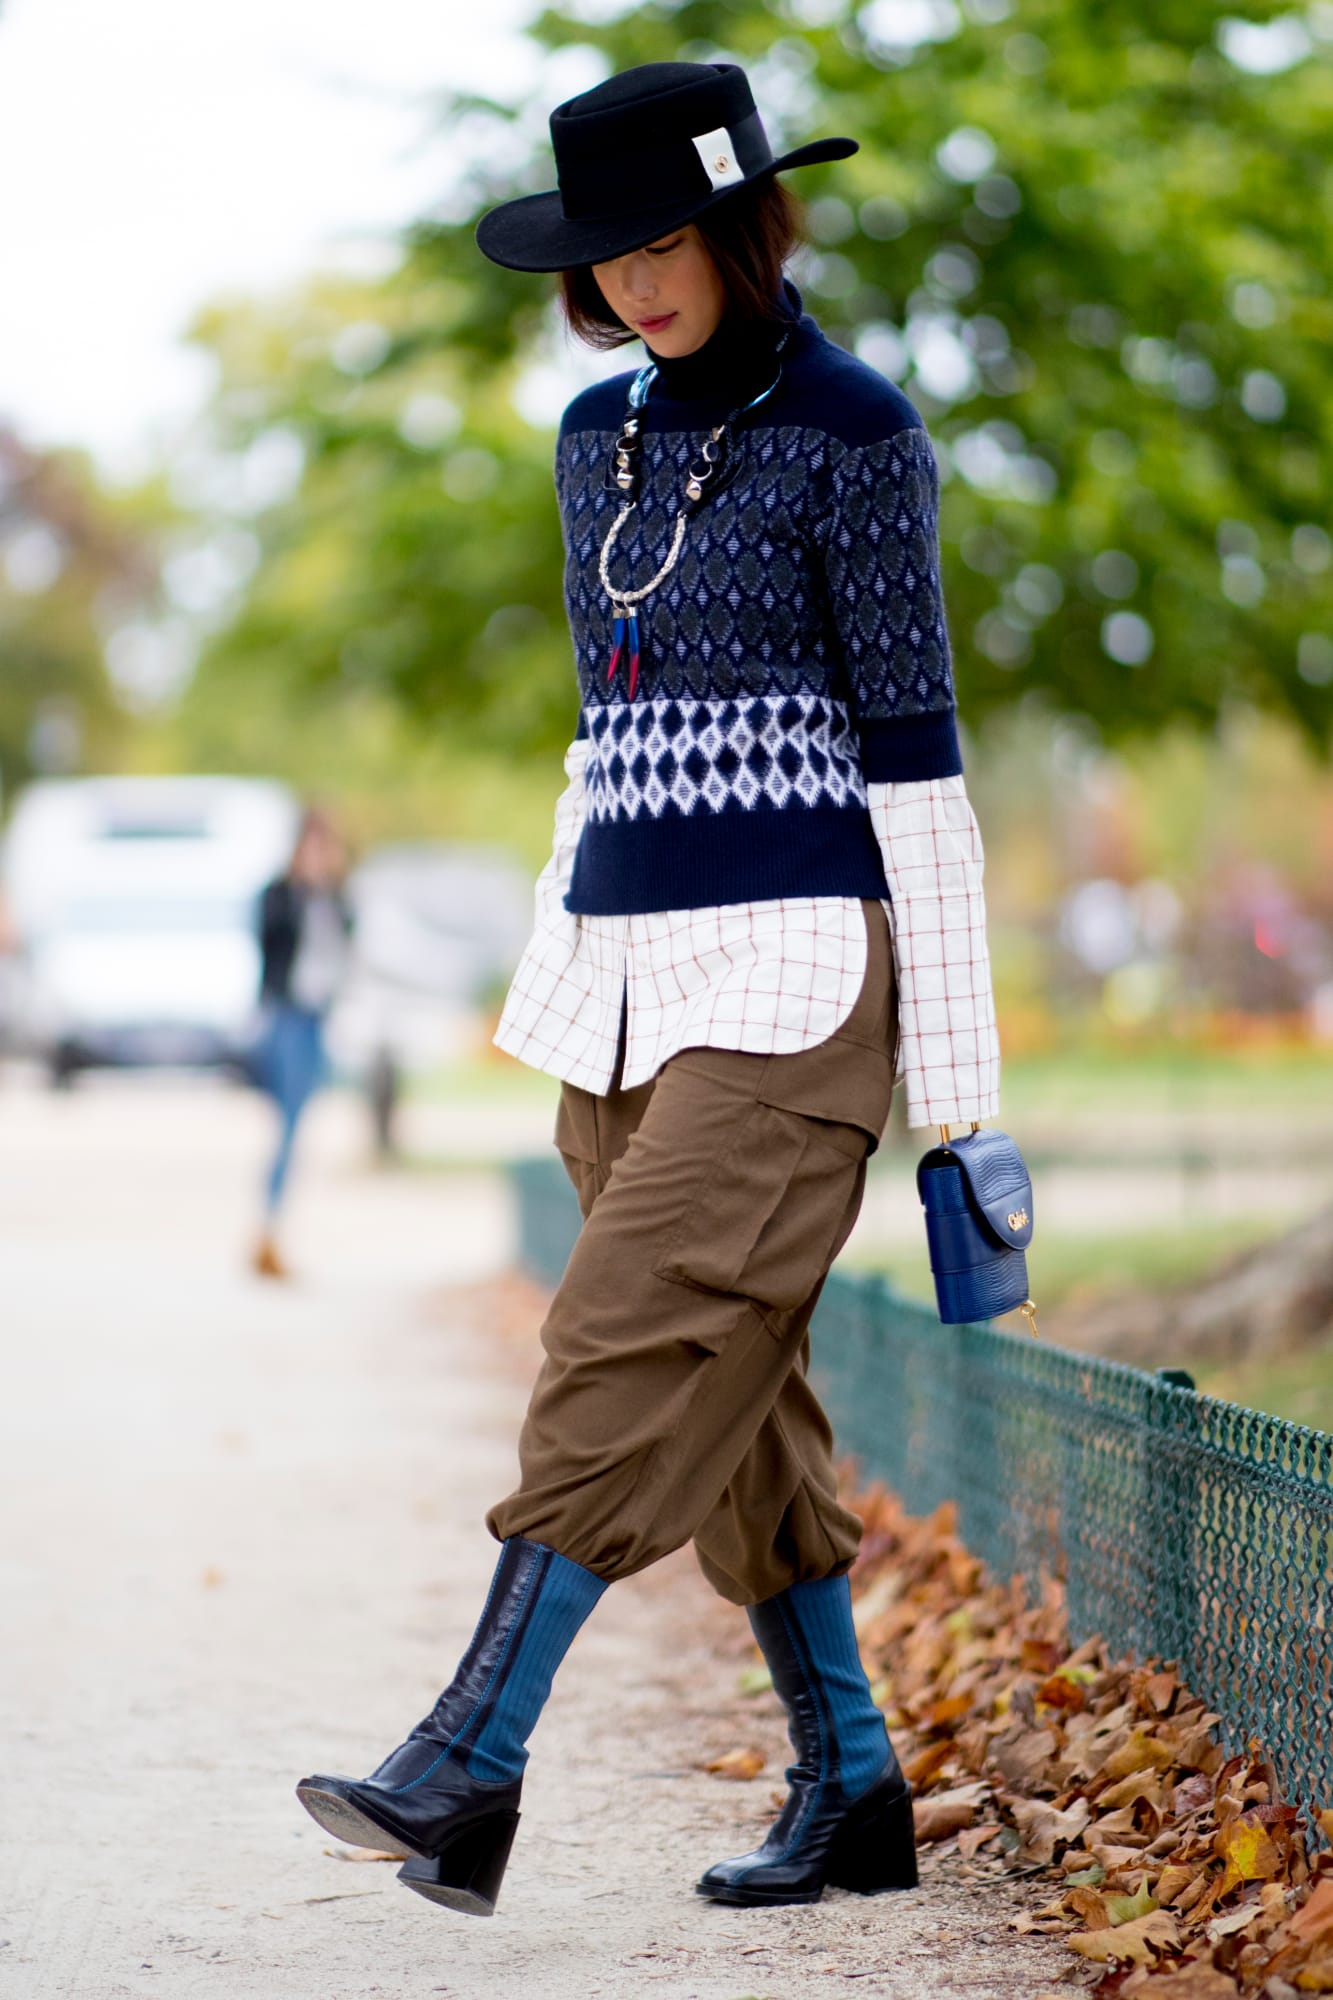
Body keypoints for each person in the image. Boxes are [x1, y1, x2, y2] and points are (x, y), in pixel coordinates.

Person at [297, 61, 1000, 1917]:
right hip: (618, 989)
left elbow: (916, 773)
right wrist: (551, 968)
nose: (635, 286)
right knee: (737, 1394)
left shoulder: (857, 433)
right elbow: (604, 736)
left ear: (748, 224)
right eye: (604, 258)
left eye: (667, 239)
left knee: (611, 1357)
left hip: (789, 994)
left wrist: (961, 1088)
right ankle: (852, 1782)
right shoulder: (589, 440)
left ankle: (469, 1762)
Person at [251, 807, 352, 1278]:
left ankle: (272, 1227)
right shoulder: (280, 895)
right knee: (289, 1125)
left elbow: (346, 949)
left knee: (301, 1122)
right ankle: (268, 1227)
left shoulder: (338, 900)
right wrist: (304, 890)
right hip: (286, 1016)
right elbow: (270, 942)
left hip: (317, 1019)